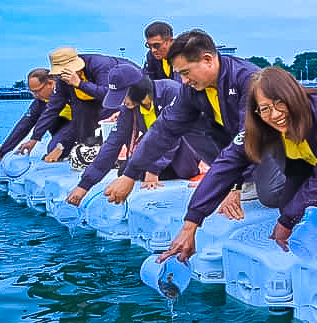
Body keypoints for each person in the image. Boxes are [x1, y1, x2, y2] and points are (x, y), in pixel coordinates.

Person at [159, 66, 317, 261]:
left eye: (281, 103)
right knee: (287, 206)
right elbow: (224, 166)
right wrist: (191, 225)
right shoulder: (260, 124)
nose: (276, 115)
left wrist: (286, 222)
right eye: (265, 108)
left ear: (294, 96)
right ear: (256, 111)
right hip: (307, 161)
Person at [103, 29, 266, 206]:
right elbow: (163, 129)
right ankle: (239, 177)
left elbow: (249, 134)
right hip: (237, 142)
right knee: (186, 122)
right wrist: (130, 174)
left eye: (186, 72)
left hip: (268, 145)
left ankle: (261, 178)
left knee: (271, 196)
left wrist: (234, 185)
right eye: (179, 73)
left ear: (207, 60)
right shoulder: (191, 88)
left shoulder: (248, 79)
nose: (183, 80)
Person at [65, 65, 204, 206]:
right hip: (157, 151)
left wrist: (153, 169)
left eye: (123, 95)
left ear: (137, 88)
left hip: (183, 150)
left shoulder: (172, 91)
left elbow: (172, 134)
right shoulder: (130, 106)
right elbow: (114, 142)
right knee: (124, 171)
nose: (122, 101)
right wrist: (84, 185)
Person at [16, 47, 134, 162]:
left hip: (125, 97)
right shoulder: (64, 81)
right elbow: (53, 109)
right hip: (92, 110)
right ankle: (87, 144)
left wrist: (79, 84)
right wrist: (35, 139)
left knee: (106, 111)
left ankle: (113, 148)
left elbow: (109, 94)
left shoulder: (101, 66)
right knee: (54, 147)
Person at [0, 69, 72, 171]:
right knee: (53, 147)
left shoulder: (70, 91)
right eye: (32, 92)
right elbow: (23, 126)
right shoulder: (40, 102)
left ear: (50, 83)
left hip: (84, 127)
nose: (36, 95)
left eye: (38, 91)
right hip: (66, 128)